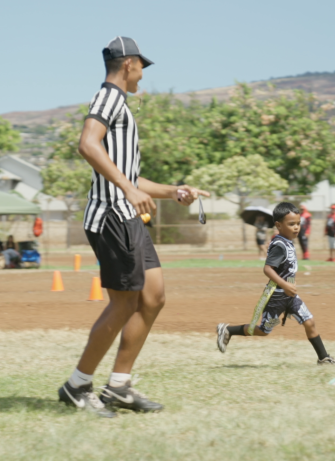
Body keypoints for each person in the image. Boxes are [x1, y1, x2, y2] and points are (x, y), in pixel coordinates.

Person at [57, 36, 210, 418]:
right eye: (142, 64)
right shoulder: (108, 97)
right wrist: (125, 187)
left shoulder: (120, 104)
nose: (144, 72)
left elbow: (133, 178)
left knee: (154, 297)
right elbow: (88, 145)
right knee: (124, 304)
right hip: (111, 217)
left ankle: (119, 387)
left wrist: (173, 192)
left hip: (127, 216)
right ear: (129, 64)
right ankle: (77, 385)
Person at [216, 202, 335, 365]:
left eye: (298, 223)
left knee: (309, 322)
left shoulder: (288, 241)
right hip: (276, 297)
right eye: (291, 224)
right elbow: (268, 269)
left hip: (290, 296)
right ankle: (227, 330)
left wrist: (289, 283)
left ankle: (323, 358)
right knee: (263, 331)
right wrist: (285, 284)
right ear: (278, 225)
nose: (296, 227)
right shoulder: (279, 245)